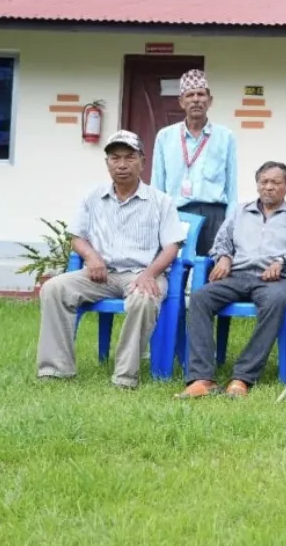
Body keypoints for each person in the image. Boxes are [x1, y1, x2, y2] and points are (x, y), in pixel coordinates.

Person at [37, 130, 187, 389]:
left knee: (144, 298)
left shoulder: (161, 201)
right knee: (54, 288)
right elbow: (77, 236)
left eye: (129, 157)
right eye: (115, 158)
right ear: (107, 163)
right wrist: (92, 257)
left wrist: (149, 274)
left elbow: (171, 246)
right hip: (100, 274)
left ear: (142, 161)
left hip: (142, 273)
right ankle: (56, 369)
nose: (122, 164)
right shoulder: (92, 197)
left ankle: (125, 377)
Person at [176, 161, 286, 399]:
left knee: (276, 301)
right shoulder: (240, 212)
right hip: (236, 275)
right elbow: (220, 243)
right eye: (264, 182)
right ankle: (202, 378)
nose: (268, 187)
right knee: (199, 298)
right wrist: (224, 257)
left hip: (273, 278)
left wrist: (282, 261)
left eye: (275, 182)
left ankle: (242, 377)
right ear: (257, 185)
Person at [151, 68, 239, 257]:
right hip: (177, 214)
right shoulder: (165, 137)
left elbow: (232, 188)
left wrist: (229, 225)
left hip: (215, 216)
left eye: (201, 94)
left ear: (210, 101)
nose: (196, 99)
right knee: (176, 271)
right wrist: (158, 221)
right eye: (190, 95)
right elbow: (157, 184)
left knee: (211, 272)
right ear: (181, 102)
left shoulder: (226, 137)